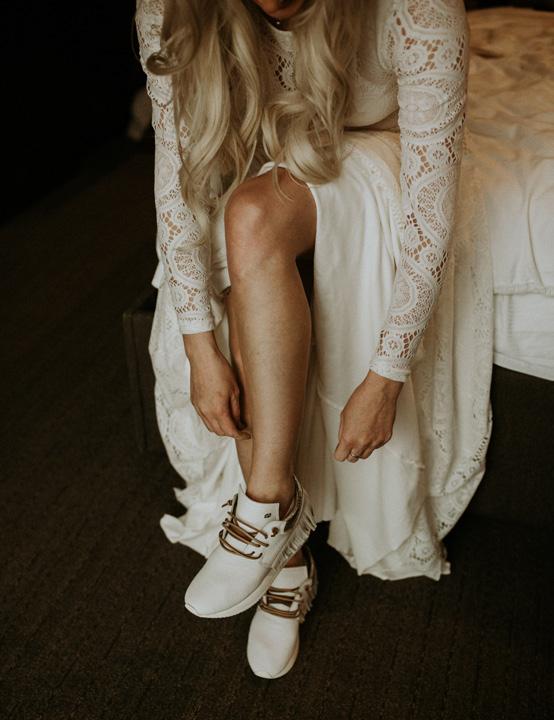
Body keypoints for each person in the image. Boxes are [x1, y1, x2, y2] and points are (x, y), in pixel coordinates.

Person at [135, 0, 493, 678]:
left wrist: (386, 375)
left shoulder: (416, 8)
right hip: (259, 151)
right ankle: (285, 551)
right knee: (234, 224)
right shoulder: (175, 6)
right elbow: (174, 179)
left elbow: (429, 209)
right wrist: (198, 347)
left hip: (378, 150)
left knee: (250, 212)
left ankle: (266, 511)